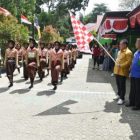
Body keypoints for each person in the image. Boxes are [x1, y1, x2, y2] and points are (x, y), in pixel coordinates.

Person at [114, 39, 133, 105]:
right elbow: (118, 59)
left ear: (125, 45)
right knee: (118, 84)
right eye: (119, 44)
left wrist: (121, 65)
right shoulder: (119, 52)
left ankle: (122, 98)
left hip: (123, 71)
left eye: (121, 44)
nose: (119, 45)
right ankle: (119, 95)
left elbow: (129, 62)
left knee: (122, 85)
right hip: (117, 71)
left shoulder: (128, 52)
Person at [126, 38, 140, 110]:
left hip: (138, 76)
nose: (135, 44)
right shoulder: (136, 52)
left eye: (136, 43)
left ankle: (137, 105)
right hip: (133, 74)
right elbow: (133, 62)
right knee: (132, 89)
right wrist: (130, 71)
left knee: (138, 91)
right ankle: (132, 102)